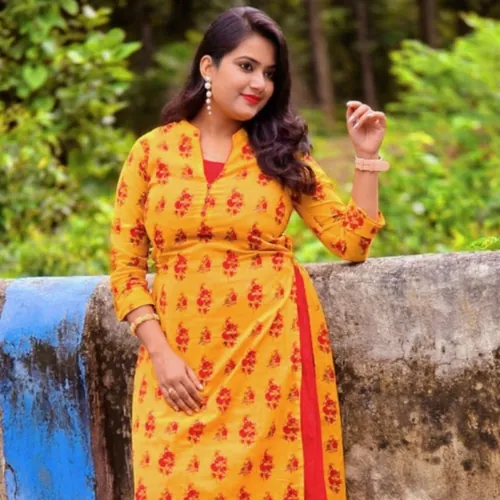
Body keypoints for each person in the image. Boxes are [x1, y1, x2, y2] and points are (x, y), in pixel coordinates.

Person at [109, 6, 388, 500]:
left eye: (270, 73)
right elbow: (126, 270)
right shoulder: (151, 152)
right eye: (246, 66)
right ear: (208, 66)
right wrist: (161, 354)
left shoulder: (279, 151)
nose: (260, 83)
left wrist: (366, 157)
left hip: (269, 356)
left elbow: (351, 241)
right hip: (177, 367)